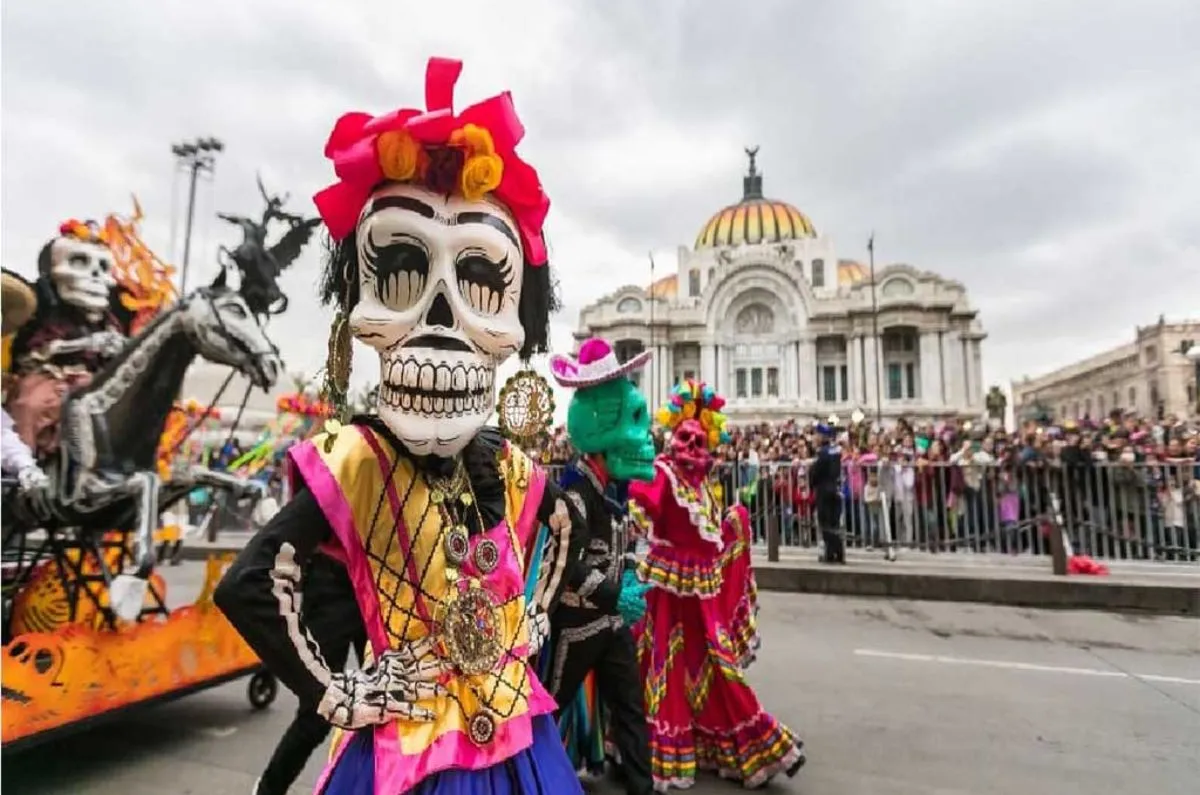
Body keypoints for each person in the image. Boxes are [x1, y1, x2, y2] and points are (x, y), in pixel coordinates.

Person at [215, 57, 589, 795]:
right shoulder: (358, 456)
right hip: (414, 751)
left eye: (482, 281)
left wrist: (531, 623)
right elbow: (249, 582)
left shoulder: (509, 464)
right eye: (401, 271)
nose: (443, 322)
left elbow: (571, 523)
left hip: (516, 733)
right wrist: (339, 694)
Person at [628, 380, 804, 791]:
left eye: (700, 439)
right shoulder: (663, 473)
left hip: (699, 588)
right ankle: (662, 743)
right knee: (662, 664)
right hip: (667, 586)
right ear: (674, 438)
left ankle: (744, 741)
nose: (692, 444)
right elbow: (644, 506)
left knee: (712, 662)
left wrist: (734, 525)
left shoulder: (702, 485)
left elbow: (709, 534)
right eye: (685, 436)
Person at [543, 337, 656, 795]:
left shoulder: (614, 492)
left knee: (630, 707)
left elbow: (623, 544)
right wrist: (615, 594)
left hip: (609, 625)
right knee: (547, 709)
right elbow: (571, 569)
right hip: (575, 627)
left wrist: (629, 573)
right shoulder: (574, 493)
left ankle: (641, 785)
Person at [811, 422, 845, 563]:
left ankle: (835, 552)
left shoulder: (823, 453)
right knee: (833, 523)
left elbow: (816, 473)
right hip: (834, 490)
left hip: (825, 491)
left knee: (826, 524)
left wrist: (811, 474)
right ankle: (834, 552)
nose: (814, 437)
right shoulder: (835, 451)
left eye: (816, 435)